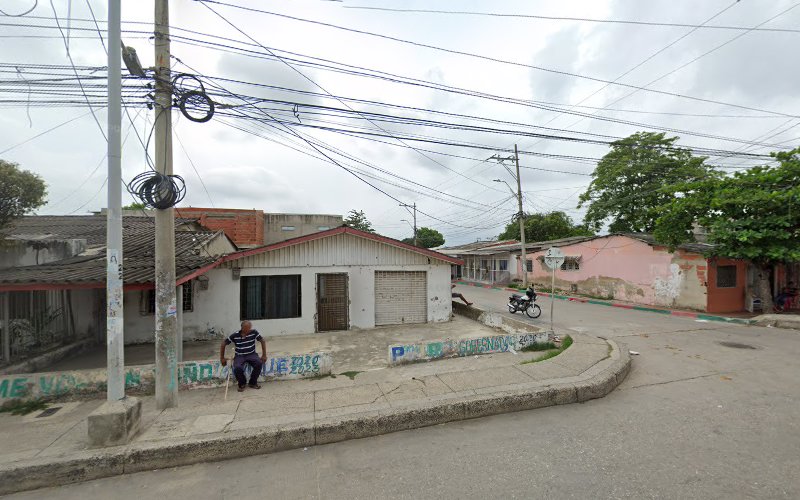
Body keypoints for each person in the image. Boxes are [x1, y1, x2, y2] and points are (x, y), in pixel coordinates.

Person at [220, 320, 267, 392]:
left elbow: (262, 341)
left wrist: (264, 355)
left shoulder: (254, 332)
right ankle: (242, 383)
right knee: (237, 367)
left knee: (259, 363)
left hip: (251, 354)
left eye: (249, 328)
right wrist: (222, 358)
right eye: (247, 329)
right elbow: (223, 344)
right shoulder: (235, 335)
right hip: (239, 355)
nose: (249, 330)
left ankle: (253, 383)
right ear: (242, 328)